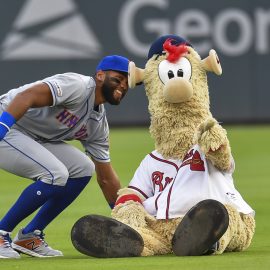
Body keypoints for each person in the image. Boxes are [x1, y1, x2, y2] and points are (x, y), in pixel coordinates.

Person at [0, 55, 129, 259]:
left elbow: (106, 178)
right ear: (100, 75)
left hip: (34, 136)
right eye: (119, 78)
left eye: (127, 82)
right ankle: (1, 233)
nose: (123, 85)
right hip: (8, 122)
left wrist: (125, 215)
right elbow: (27, 96)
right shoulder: (78, 86)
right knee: (55, 173)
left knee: (83, 168)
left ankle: (29, 236)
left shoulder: (97, 122)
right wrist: (2, 127)